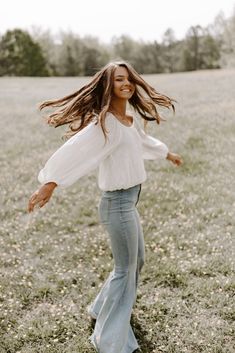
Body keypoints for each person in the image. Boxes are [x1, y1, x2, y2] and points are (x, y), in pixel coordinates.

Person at [28, 61, 183, 353]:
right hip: (117, 204)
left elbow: (143, 141)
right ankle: (112, 341)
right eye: (119, 80)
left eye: (129, 79)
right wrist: (50, 183)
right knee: (126, 268)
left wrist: (167, 154)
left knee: (136, 262)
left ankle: (100, 308)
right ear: (108, 87)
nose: (126, 84)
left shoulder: (127, 120)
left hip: (129, 202)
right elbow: (76, 149)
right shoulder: (107, 123)